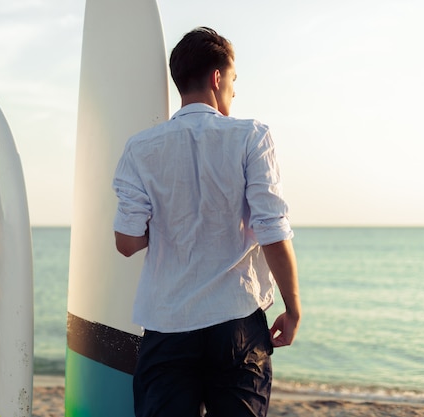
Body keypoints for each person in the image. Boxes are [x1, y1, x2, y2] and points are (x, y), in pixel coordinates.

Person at [112, 27, 301, 417]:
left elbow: (127, 242)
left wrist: (171, 221)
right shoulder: (252, 136)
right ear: (218, 78)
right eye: (233, 80)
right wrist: (293, 306)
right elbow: (272, 229)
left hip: (167, 326)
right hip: (237, 325)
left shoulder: (141, 147)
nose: (233, 90)